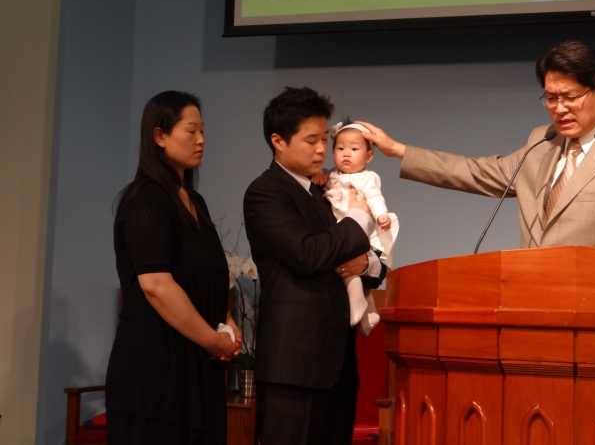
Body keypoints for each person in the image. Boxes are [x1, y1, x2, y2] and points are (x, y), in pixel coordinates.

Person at [359, 41, 595, 254]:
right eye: (551, 98)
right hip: (527, 303)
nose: (559, 108)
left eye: (570, 97)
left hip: (594, 311)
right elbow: (476, 172)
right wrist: (398, 150)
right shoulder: (541, 142)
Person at [243, 87, 380, 445]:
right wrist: (357, 219)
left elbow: (369, 259)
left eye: (323, 139)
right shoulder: (265, 192)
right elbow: (307, 254)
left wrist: (367, 261)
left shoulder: (325, 191)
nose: (321, 149)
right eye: (310, 140)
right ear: (278, 141)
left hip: (338, 365)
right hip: (294, 365)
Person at [106, 91, 241, 445]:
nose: (201, 140)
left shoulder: (195, 201)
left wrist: (226, 321)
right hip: (155, 372)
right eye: (191, 131)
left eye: (203, 131)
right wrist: (211, 339)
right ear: (159, 136)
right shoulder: (145, 199)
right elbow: (156, 285)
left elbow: (207, 275)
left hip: (197, 368)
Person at [319, 120, 398, 336]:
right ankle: (369, 313)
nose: (346, 153)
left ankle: (359, 304)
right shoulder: (332, 174)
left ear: (369, 156)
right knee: (345, 262)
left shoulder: (367, 177)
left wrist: (381, 214)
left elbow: (374, 197)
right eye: (340, 148)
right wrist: (319, 177)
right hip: (340, 225)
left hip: (358, 227)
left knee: (348, 262)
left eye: (354, 149)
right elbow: (323, 182)